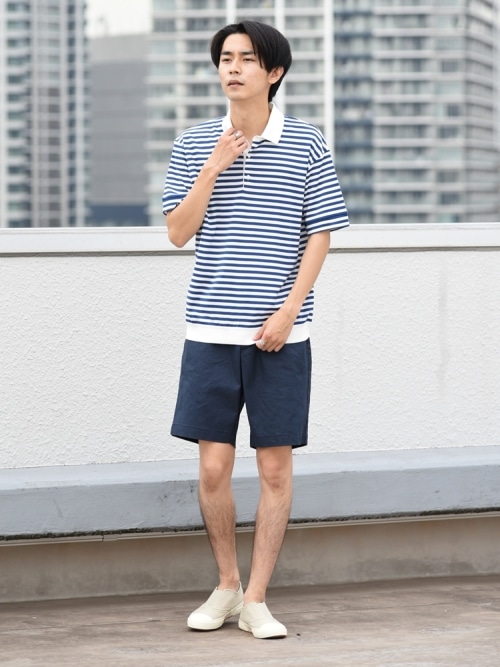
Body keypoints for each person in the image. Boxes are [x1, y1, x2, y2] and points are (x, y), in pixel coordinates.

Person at [162, 20, 349, 639]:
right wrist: (214, 165)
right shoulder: (194, 143)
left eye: (246, 59)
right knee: (213, 469)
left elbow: (319, 234)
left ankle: (259, 599)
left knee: (274, 470)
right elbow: (178, 232)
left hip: (281, 336)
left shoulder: (306, 141)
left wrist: (290, 310)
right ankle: (227, 586)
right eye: (225, 58)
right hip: (210, 332)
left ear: (274, 72)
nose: (233, 68)